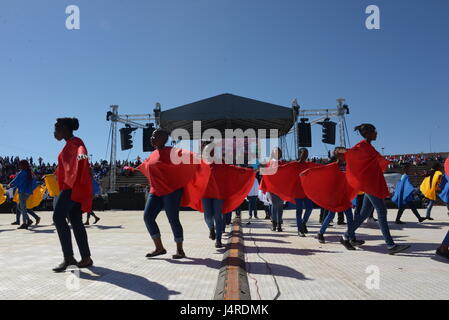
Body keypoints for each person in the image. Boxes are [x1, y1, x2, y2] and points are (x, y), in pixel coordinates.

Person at [138, 129, 210, 259]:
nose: (151, 138)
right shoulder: (153, 154)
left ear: (163, 138)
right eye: (152, 136)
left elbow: (192, 158)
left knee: (173, 219)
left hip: (171, 191)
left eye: (155, 136)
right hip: (155, 191)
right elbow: (146, 166)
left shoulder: (174, 152)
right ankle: (159, 248)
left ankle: (180, 250)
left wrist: (204, 153)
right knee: (148, 217)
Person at [343, 124, 410, 255]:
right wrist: (342, 152)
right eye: (374, 131)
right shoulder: (361, 146)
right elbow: (350, 154)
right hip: (369, 185)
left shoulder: (368, 146)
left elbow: (377, 160)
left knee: (363, 214)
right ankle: (390, 245)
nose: (376, 134)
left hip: (372, 183)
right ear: (367, 133)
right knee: (382, 211)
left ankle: (346, 236)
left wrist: (388, 161)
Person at [52, 117, 94, 272]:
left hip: (72, 187)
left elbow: (82, 155)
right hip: (72, 185)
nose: (54, 132)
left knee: (57, 217)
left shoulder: (75, 143)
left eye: (56, 128)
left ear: (64, 128)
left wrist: (83, 163)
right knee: (76, 221)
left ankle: (69, 258)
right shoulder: (71, 144)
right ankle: (86, 258)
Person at [300, 147, 362, 249]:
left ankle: (352, 238)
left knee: (350, 218)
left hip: (344, 196)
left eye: (344, 154)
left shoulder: (348, 166)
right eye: (341, 154)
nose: (344, 156)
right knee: (330, 216)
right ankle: (320, 233)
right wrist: (307, 172)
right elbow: (319, 170)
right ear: (337, 155)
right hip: (335, 196)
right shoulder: (332, 166)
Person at [199, 142, 255, 248]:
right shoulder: (200, 164)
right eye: (207, 151)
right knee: (208, 217)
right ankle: (211, 228)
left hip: (219, 194)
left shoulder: (221, 163)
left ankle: (218, 240)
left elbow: (233, 169)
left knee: (218, 216)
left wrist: (248, 171)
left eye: (211, 151)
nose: (209, 153)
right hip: (205, 193)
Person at [8, 160, 37, 230]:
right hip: (28, 192)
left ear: (22, 165)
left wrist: (10, 185)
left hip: (23, 192)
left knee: (22, 208)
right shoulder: (29, 172)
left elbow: (17, 180)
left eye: (20, 165)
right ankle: (29, 220)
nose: (19, 166)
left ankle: (24, 223)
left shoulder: (22, 172)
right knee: (19, 207)